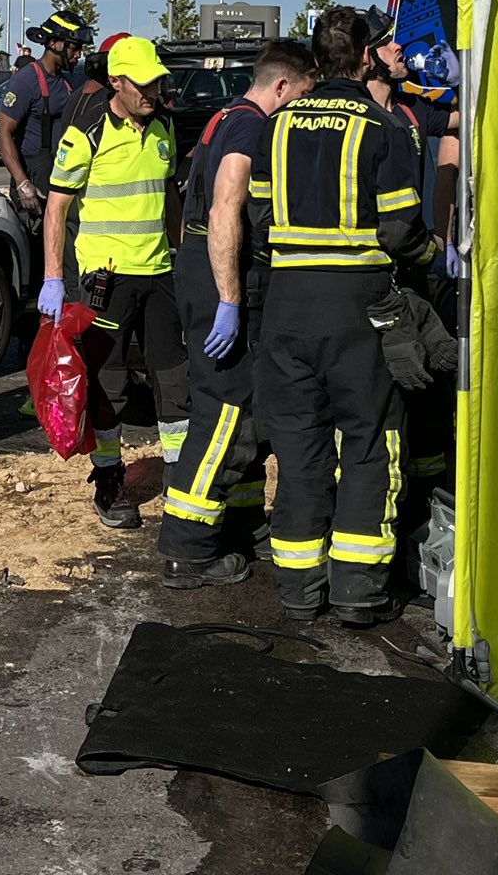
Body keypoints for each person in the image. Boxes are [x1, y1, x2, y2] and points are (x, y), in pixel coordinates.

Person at [250, 7, 434, 627]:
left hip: (285, 306)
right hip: (357, 309)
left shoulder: (275, 126)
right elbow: (401, 228)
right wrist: (433, 259)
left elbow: (255, 218)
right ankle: (357, 588)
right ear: (362, 58)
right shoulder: (382, 126)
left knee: (299, 446)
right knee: (369, 440)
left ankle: (300, 588)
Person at [156, 39, 316, 589]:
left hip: (203, 267)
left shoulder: (224, 116)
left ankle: (240, 524)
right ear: (281, 87)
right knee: (222, 410)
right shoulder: (251, 126)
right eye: (302, 94)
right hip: (222, 273)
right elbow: (226, 205)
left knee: (245, 407)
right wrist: (228, 299)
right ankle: (188, 545)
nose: (303, 107)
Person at [38, 35, 186, 529]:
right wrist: (54, 277)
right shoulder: (87, 133)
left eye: (157, 81)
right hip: (107, 279)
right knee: (110, 386)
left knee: (174, 382)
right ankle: (108, 480)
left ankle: (181, 479)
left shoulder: (164, 125)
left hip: (159, 273)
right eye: (144, 84)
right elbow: (56, 206)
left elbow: (168, 194)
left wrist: (181, 251)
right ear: (117, 82)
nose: (154, 91)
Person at [359, 7, 462, 494]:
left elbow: (464, 115)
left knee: (426, 393)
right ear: (366, 58)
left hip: (413, 274)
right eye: (387, 43)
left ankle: (420, 505)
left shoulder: (410, 109)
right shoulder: (350, 116)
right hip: (369, 282)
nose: (400, 48)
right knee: (375, 397)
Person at [0, 10, 92, 228]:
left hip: (61, 175)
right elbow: (3, 134)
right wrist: (22, 184)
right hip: (36, 181)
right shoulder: (27, 80)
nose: (78, 54)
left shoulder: (67, 81)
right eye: (74, 48)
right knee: (39, 253)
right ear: (56, 44)